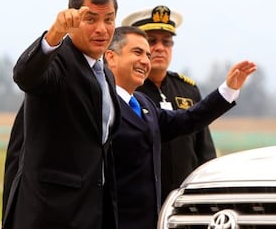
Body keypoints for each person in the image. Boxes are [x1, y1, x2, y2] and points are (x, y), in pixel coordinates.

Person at [104, 26, 257, 229]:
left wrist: (228, 91)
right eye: (137, 52)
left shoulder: (143, 103)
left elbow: (187, 120)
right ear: (111, 57)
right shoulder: (101, 103)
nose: (145, 61)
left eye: (147, 55)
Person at [1, 0, 122, 229]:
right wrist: (54, 34)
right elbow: (25, 75)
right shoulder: (57, 62)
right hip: (50, 213)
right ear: (74, 19)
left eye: (109, 20)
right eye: (91, 20)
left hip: (91, 211)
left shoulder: (105, 74)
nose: (102, 29)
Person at [122, 5, 217, 202]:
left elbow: (204, 152)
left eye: (167, 42)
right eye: (151, 41)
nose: (159, 48)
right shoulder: (130, 90)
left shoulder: (187, 90)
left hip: (186, 200)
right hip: (141, 201)